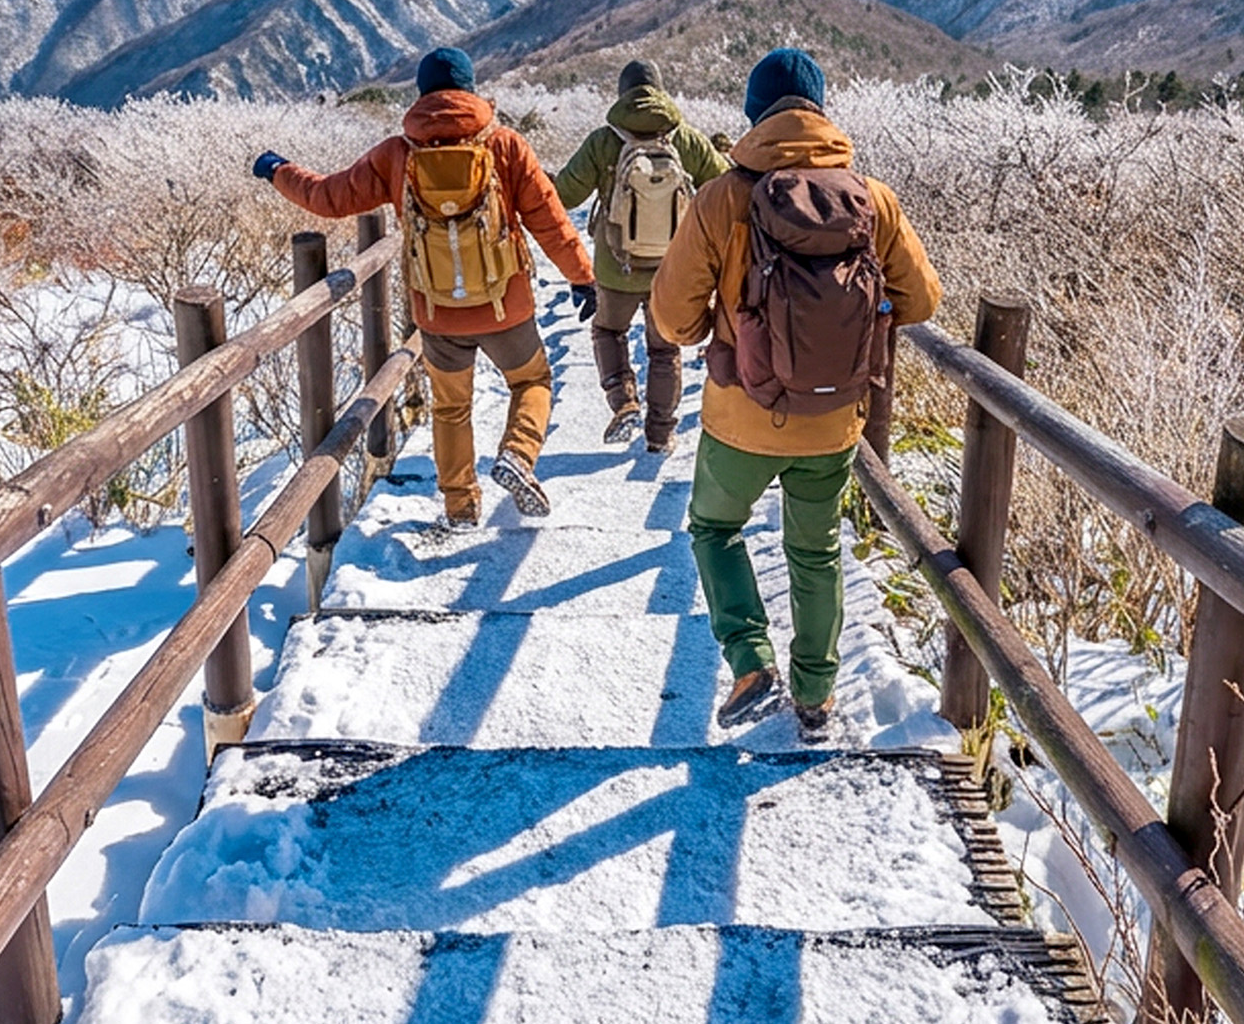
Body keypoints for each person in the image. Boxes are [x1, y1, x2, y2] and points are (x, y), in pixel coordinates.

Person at [650, 48, 941, 741]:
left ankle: (751, 661)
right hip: (835, 418)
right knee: (815, 551)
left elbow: (672, 317)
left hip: (741, 417)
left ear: (755, 114)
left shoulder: (723, 198)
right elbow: (922, 299)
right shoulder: (872, 198)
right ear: (821, 110)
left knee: (715, 528)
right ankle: (816, 694)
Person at [253, 48, 597, 527]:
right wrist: (582, 277)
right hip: (505, 306)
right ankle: (518, 453)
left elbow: (328, 198)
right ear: (470, 90)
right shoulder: (504, 145)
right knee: (531, 381)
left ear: (422, 95)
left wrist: (278, 169)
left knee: (451, 407)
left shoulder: (397, 154)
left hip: (437, 311)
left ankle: (460, 507)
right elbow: (549, 219)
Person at [548, 59, 728, 452]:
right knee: (664, 349)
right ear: (661, 92)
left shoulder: (603, 141)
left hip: (617, 267)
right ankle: (660, 435)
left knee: (608, 331)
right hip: (673, 267)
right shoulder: (687, 140)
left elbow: (563, 196)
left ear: (621, 94)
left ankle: (623, 401)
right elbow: (725, 188)